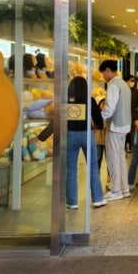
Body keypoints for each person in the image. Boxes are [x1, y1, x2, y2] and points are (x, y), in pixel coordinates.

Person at [34, 76, 105, 209]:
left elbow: (55, 122)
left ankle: (72, 202)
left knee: (71, 169)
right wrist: (94, 126)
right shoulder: (90, 100)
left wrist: (40, 137)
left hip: (71, 135)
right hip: (87, 134)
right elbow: (99, 122)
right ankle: (98, 199)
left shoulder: (66, 101)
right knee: (93, 167)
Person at [100, 59, 132, 201]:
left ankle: (115, 191)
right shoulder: (124, 85)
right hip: (125, 126)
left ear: (108, 70)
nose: (103, 77)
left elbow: (109, 108)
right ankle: (124, 188)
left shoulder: (113, 85)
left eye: (103, 73)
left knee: (113, 159)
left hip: (114, 126)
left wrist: (99, 118)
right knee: (121, 158)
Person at [125, 73, 138, 153]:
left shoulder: (135, 91)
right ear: (126, 81)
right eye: (131, 81)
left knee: (133, 133)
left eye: (134, 81)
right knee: (124, 133)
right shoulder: (123, 90)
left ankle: (133, 147)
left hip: (133, 115)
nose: (133, 82)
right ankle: (124, 148)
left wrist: (137, 108)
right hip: (124, 115)